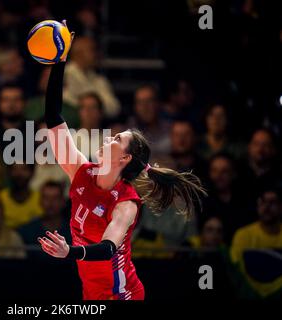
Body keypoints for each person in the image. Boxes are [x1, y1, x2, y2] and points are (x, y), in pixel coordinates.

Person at [38, 22, 206, 300]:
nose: (108, 139)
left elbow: (107, 248)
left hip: (121, 293)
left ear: (125, 158)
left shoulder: (126, 202)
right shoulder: (81, 171)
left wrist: (70, 252)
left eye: (116, 140)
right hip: (91, 292)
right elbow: (54, 116)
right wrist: (60, 61)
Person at [230, 187, 282, 298]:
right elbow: (238, 270)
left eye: (272, 202)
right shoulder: (243, 234)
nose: (267, 207)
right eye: (263, 201)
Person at [63, 36, 120, 118]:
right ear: (78, 54)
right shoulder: (65, 75)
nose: (97, 54)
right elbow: (71, 106)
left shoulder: (99, 79)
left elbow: (114, 108)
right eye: (92, 50)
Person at [19, 181, 71, 245]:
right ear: (40, 201)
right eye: (46, 198)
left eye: (55, 198)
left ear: (63, 201)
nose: (50, 202)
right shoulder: (27, 231)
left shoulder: (73, 232)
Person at [127, 84, 171, 159]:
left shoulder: (171, 130)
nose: (145, 107)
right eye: (140, 102)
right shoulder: (125, 131)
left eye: (149, 101)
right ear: (135, 107)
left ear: (158, 103)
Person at [0, 163, 43, 229]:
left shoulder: (41, 198)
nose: (19, 174)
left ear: (32, 173)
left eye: (24, 169)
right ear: (9, 172)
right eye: (15, 169)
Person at [71, 92, 105, 162]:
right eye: (84, 107)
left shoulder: (108, 140)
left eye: (93, 107)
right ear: (79, 112)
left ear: (100, 112)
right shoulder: (70, 139)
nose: (88, 111)